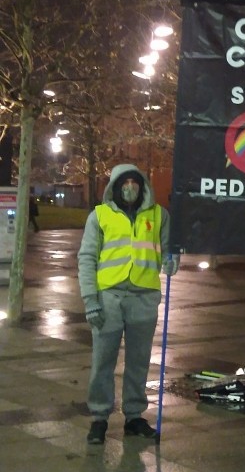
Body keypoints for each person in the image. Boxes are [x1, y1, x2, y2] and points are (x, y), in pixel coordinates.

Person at [77, 164, 179, 445]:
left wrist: (172, 260)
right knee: (103, 361)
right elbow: (86, 259)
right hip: (108, 298)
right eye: (125, 183)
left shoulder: (159, 215)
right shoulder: (100, 216)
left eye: (135, 182)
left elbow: (169, 249)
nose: (130, 187)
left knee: (138, 362)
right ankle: (99, 418)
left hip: (144, 298)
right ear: (114, 186)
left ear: (143, 186)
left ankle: (134, 416)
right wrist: (91, 302)